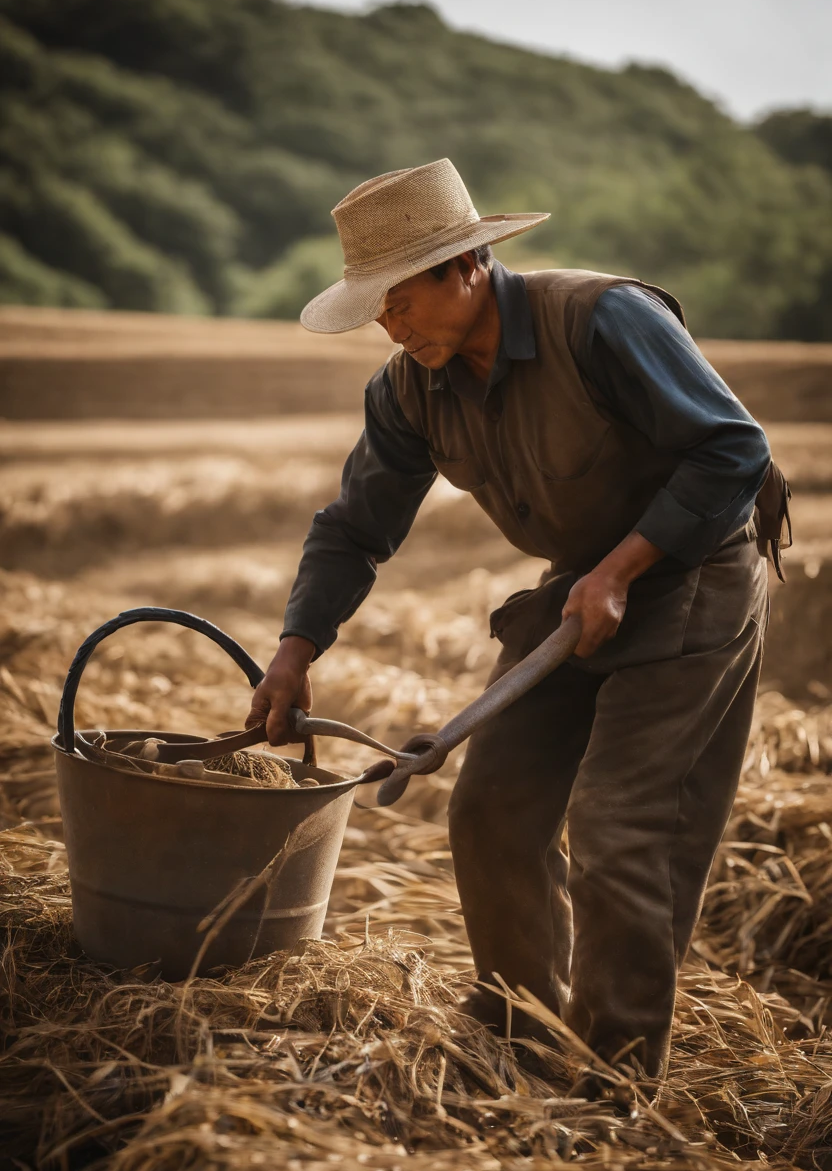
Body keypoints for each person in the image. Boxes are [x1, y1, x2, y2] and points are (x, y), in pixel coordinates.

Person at [246, 158, 790, 1084]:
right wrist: (293, 654)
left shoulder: (603, 320)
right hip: (582, 584)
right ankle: (520, 1042)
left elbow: (735, 448)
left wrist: (623, 569)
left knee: (623, 828)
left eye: (399, 298)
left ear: (466, 265)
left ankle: (613, 1084)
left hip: (694, 572)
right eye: (374, 307)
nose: (389, 323)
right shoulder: (410, 387)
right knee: (491, 806)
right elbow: (354, 529)